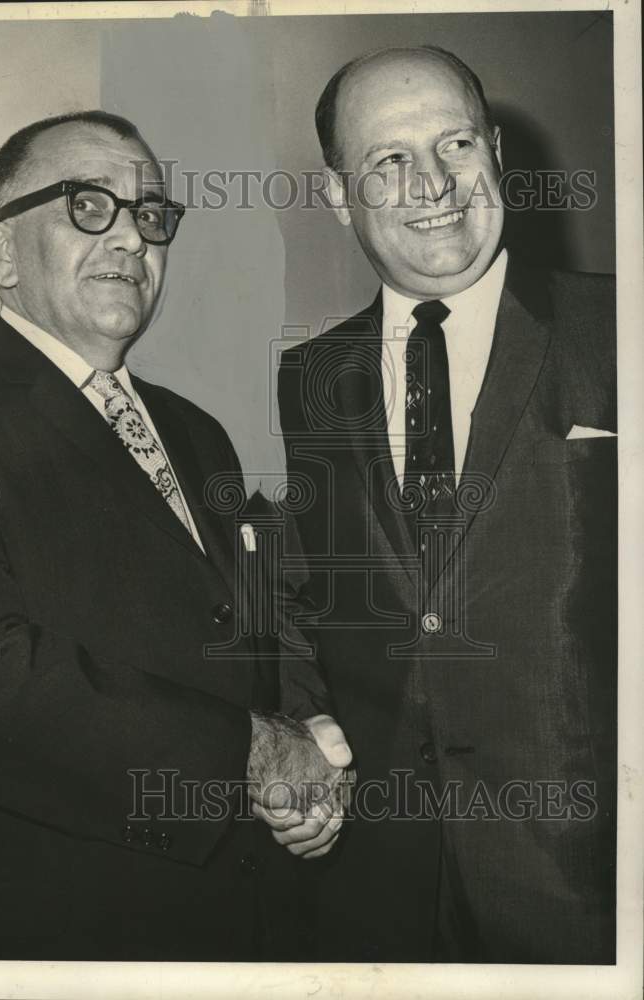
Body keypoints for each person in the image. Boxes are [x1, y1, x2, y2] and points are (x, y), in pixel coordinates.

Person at [0, 110, 352, 961]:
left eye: (151, 214)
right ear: (0, 253)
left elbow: (250, 635)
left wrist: (305, 760)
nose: (132, 238)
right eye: (89, 205)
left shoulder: (196, 431)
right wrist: (249, 752)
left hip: (228, 917)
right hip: (42, 935)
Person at [278, 46, 616, 963]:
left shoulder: (615, 331)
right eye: (387, 160)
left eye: (455, 142)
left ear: (497, 151)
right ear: (340, 196)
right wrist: (311, 730)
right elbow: (317, 593)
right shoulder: (309, 377)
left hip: (586, 885)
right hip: (381, 887)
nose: (432, 182)